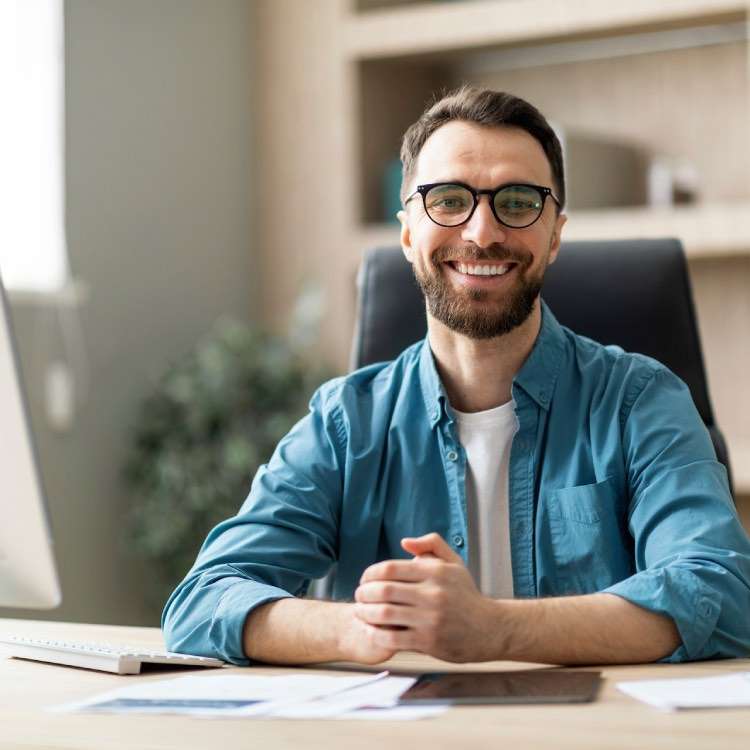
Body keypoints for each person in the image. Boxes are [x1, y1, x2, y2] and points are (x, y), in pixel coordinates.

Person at [162, 87, 750, 666]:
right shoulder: (346, 423)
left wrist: (494, 629)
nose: (481, 232)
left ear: (554, 237)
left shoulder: (640, 402)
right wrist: (357, 630)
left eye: (517, 202)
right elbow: (204, 600)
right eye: (448, 200)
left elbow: (722, 593)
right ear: (408, 232)